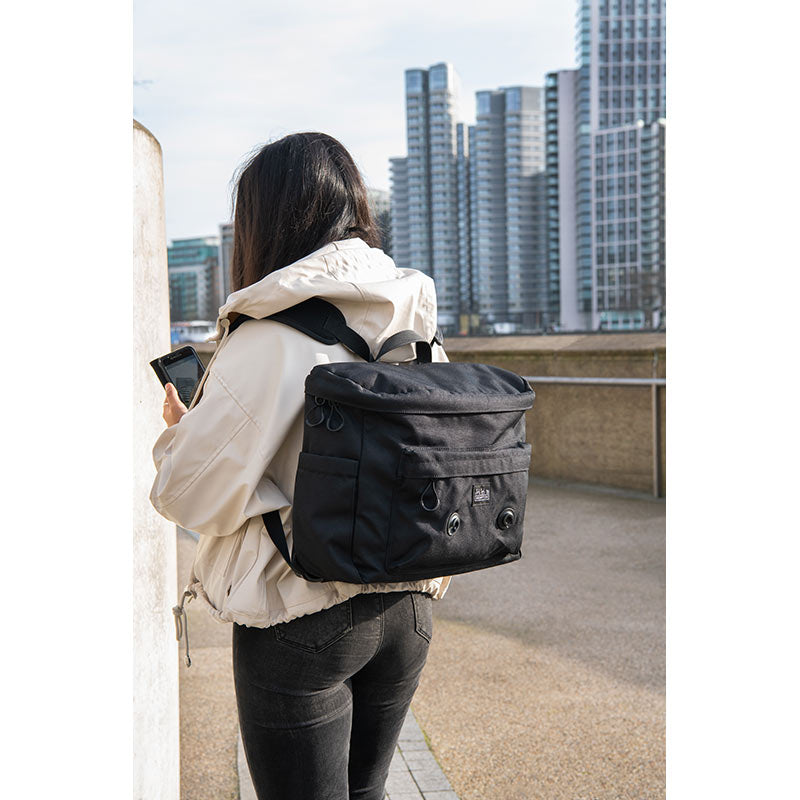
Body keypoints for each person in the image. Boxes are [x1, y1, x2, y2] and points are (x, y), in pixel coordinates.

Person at [150, 132, 451, 800]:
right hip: (408, 604)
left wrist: (180, 434)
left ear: (264, 223)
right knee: (368, 792)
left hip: (302, 615)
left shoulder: (269, 337)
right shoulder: (415, 321)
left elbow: (189, 495)